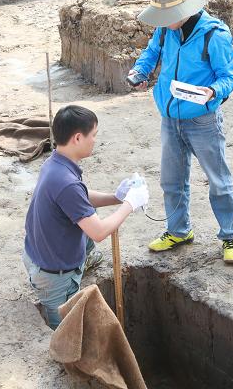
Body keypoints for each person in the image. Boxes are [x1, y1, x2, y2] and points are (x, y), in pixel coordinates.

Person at [127, 0, 233, 264]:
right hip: (170, 118)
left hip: (203, 120)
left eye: (168, 16)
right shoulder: (165, 30)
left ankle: (230, 235)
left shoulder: (214, 35)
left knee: (218, 181)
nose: (163, 22)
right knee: (171, 180)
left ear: (184, 10)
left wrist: (213, 91)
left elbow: (229, 77)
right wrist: (140, 72)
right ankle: (178, 230)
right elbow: (151, 53)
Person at [22, 105, 149, 329]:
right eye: (93, 135)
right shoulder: (66, 182)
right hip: (54, 277)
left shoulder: (55, 163)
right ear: (78, 138)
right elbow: (98, 232)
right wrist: (130, 204)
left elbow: (79, 197)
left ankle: (81, 263)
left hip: (40, 254)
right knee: (66, 333)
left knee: (90, 213)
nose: (95, 141)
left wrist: (116, 197)